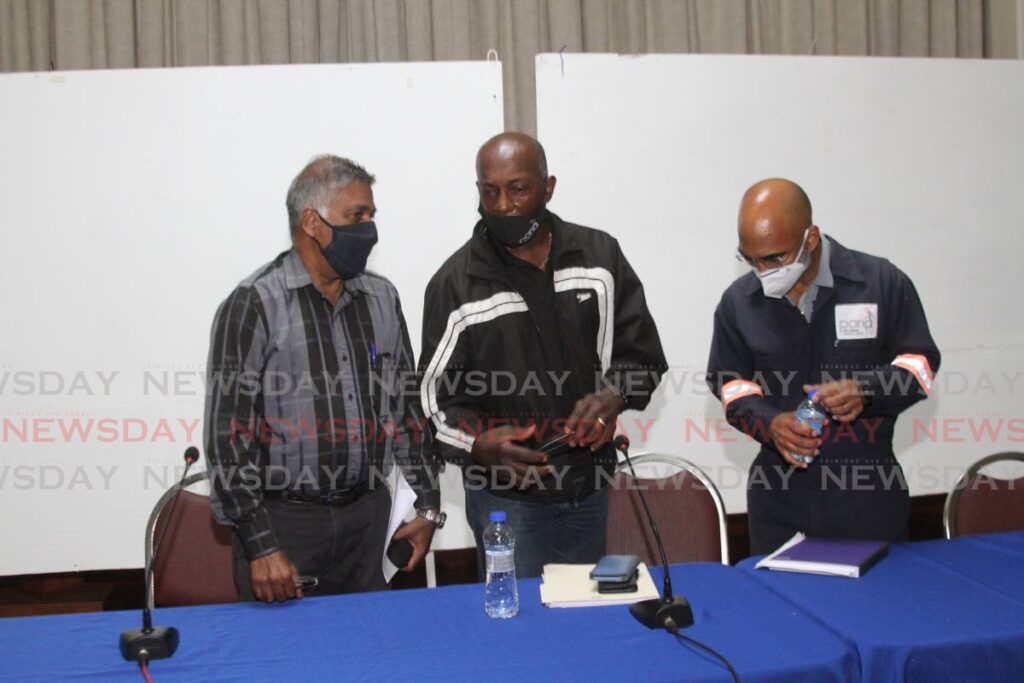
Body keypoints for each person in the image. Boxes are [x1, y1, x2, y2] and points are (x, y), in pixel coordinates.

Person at [419, 132, 666, 578]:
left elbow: (643, 357)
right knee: (518, 628)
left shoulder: (600, 258)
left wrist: (614, 397)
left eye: (519, 189)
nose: (503, 206)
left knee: (582, 620)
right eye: (489, 191)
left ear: (548, 188)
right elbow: (433, 401)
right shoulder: (454, 284)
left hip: (588, 488)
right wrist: (477, 445)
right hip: (504, 502)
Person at [204, 155, 442, 602]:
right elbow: (227, 436)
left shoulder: (381, 298)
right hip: (286, 526)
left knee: (373, 659)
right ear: (312, 222)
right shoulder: (253, 304)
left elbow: (407, 409)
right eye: (357, 216)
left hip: (369, 521)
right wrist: (260, 545)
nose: (370, 229)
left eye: (372, 215)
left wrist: (428, 505)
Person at [706, 178, 940, 555]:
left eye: (775, 258)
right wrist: (770, 423)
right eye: (750, 259)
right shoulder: (739, 302)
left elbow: (921, 366)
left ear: (810, 239)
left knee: (877, 611)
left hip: (868, 498)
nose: (762, 271)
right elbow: (731, 385)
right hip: (778, 503)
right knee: (782, 611)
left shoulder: (879, 283)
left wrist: (869, 390)